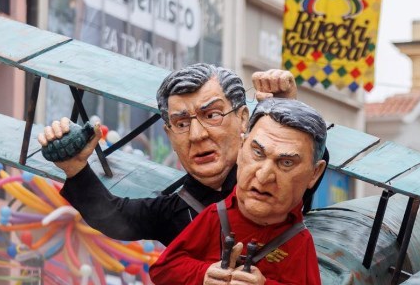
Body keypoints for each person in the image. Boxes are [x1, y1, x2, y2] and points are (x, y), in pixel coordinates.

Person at [38, 64, 298, 245]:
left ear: (243, 119)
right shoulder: (174, 211)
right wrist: (74, 167)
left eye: (212, 115)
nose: (197, 135)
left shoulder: (278, 184)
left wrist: (287, 116)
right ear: (169, 134)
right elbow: (114, 217)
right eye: (182, 123)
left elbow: (301, 167)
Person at [149, 99, 327, 285]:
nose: (264, 176)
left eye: (286, 163)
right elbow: (163, 269)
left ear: (314, 173)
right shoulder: (216, 216)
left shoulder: (297, 240)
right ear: (241, 147)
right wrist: (204, 277)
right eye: (257, 153)